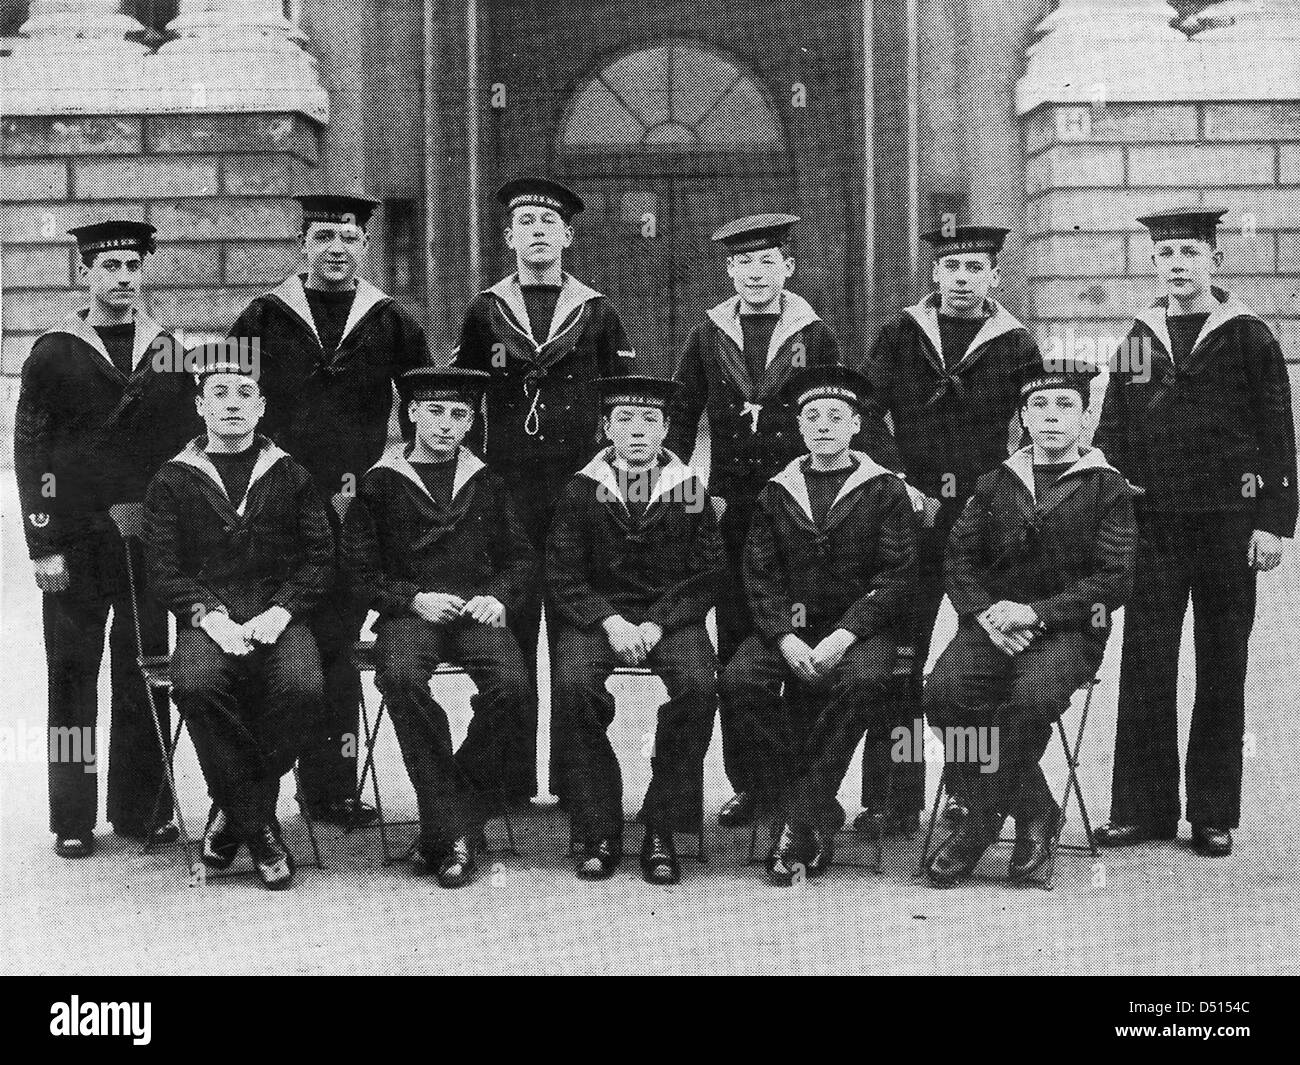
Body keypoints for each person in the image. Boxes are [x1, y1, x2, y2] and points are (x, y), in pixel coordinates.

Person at [666, 213, 890, 829]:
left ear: (788, 268)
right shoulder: (707, 333)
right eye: (743, 264)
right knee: (745, 640)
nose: (755, 274)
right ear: (729, 271)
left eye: (768, 262)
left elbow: (847, 408)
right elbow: (681, 416)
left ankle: (804, 781)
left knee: (802, 635)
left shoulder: (813, 332)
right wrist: (675, 488)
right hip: (731, 506)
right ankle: (753, 782)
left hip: (801, 506)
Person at [1092, 207, 1297, 857]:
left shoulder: (1248, 337)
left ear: (1216, 260)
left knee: (1221, 664)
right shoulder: (1140, 335)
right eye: (1166, 254)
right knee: (1146, 662)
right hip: (1155, 525)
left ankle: (1212, 810)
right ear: (1154, 264)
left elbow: (1277, 435)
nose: (1178, 264)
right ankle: (1142, 809)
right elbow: (1111, 430)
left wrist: (1273, 524)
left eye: (1189, 252)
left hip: (1228, 526)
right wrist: (1117, 489)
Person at [226, 191, 431, 825]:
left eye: (347, 240)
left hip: (352, 507)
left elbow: (427, 404)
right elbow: (222, 395)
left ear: (362, 246)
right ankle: (249, 788)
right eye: (322, 239)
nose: (335, 251)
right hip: (275, 504)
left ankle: (332, 786)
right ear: (303, 244)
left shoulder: (391, 319)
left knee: (337, 647)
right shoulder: (263, 315)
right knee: (275, 640)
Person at [14, 219, 199, 858]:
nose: (121, 279)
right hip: (76, 541)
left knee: (145, 671)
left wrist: (175, 527)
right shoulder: (54, 351)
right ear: (86, 274)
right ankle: (71, 815)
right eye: (108, 267)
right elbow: (31, 450)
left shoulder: (170, 348)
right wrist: (43, 546)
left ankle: (139, 810)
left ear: (142, 272)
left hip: (146, 538)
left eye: (131, 267)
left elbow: (187, 440)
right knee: (71, 676)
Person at [454, 177, 635, 800]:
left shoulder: (597, 310)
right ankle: (509, 780)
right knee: (511, 623)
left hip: (577, 486)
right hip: (507, 487)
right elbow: (460, 394)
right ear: (509, 237)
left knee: (572, 628)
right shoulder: (484, 309)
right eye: (525, 221)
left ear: (567, 235)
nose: (537, 231)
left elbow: (623, 397)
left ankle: (573, 780)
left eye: (548, 223)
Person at [923, 359, 1136, 887]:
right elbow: (959, 559)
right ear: (1021, 417)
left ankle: (979, 819)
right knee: (944, 694)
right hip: (992, 625)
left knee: (1031, 700)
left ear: (1086, 418)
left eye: (1066, 405)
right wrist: (982, 614)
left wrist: (1036, 613)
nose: (1051, 416)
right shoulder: (995, 482)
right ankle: (1036, 807)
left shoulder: (1109, 489)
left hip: (1068, 632)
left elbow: (1115, 580)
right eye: (1038, 405)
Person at [857, 223, 1040, 836]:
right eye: (953, 266)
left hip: (983, 525)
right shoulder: (903, 333)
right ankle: (893, 798)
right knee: (899, 660)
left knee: (973, 664)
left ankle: (972, 796)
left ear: (993, 277)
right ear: (934, 273)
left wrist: (1006, 493)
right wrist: (896, 479)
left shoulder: (1014, 344)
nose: (963, 278)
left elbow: (1038, 427)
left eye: (976, 268)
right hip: (911, 515)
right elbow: (867, 412)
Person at [143, 354, 335, 889]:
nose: (233, 404)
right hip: (209, 619)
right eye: (220, 394)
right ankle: (261, 827)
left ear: (262, 407)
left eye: (245, 394)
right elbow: (162, 567)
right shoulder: (173, 478)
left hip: (279, 615)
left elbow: (319, 559)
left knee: (304, 688)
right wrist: (208, 616)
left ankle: (231, 815)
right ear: (200, 406)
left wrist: (283, 610)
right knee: (197, 684)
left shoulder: (291, 474)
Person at [720, 365, 917, 884]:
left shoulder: (885, 491)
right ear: (799, 427)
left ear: (856, 426)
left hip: (859, 632)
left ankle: (797, 817)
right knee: (740, 682)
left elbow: (896, 577)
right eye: (812, 416)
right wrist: (784, 636)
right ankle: (812, 808)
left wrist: (842, 637)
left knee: (863, 683)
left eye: (837, 416)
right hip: (788, 629)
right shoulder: (777, 490)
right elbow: (758, 575)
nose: (824, 425)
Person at [344, 367, 537, 887]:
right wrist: (412, 599)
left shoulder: (488, 479)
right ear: (410, 414)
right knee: (403, 679)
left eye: (459, 415)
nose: (447, 425)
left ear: (472, 420)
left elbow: (519, 557)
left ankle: (447, 813)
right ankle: (455, 822)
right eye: (434, 412)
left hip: (475, 612)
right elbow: (358, 572)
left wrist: (497, 596)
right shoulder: (378, 483)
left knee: (514, 688)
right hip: (413, 616)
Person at [546, 376, 724, 883]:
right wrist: (609, 620)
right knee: (575, 685)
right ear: (605, 428)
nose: (638, 431)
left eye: (650, 420)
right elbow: (563, 572)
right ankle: (598, 825)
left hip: (669, 616)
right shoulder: (580, 489)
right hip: (598, 616)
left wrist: (656, 621)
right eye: (625, 419)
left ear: (667, 428)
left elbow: (708, 571)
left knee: (698, 686)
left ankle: (662, 825)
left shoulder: (689, 489)